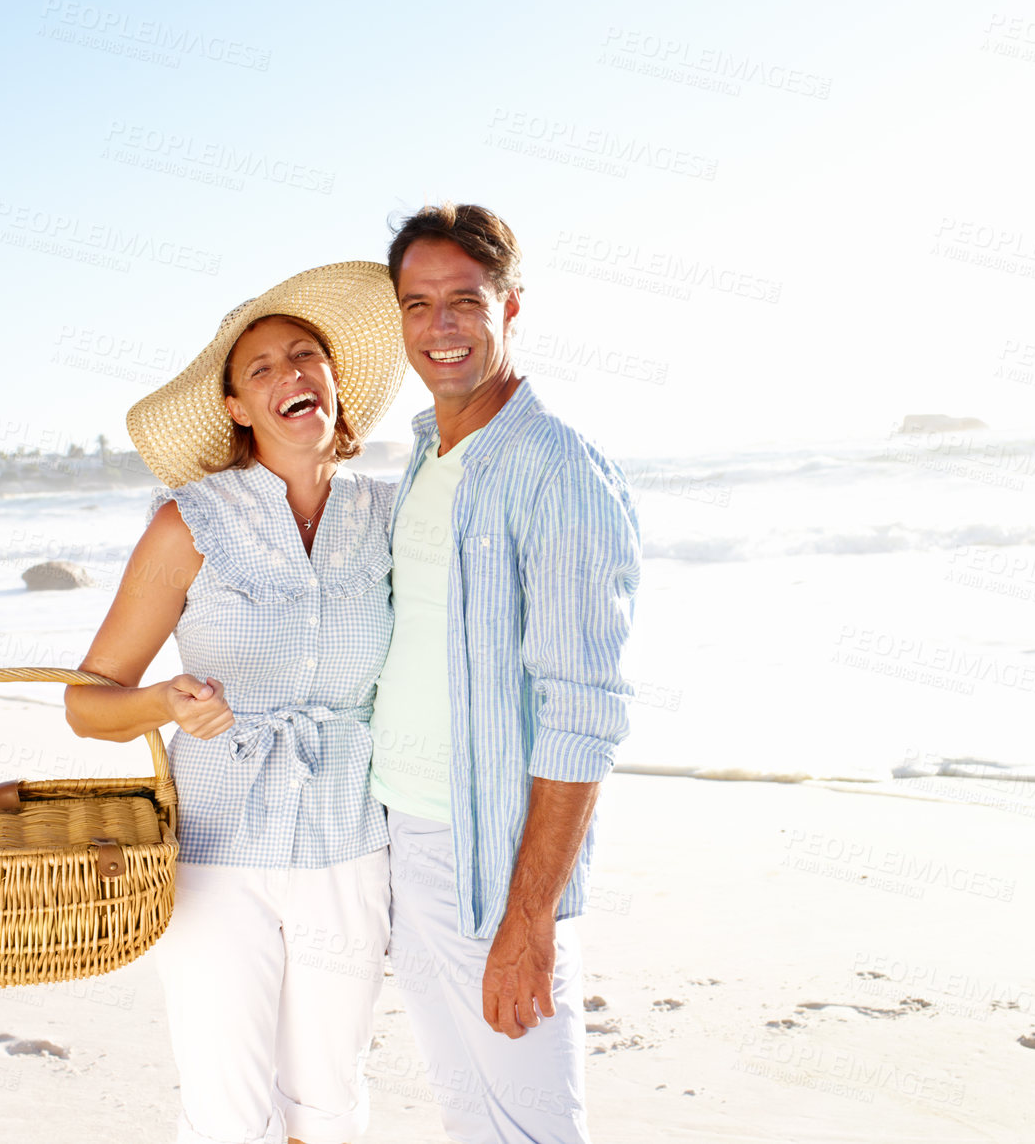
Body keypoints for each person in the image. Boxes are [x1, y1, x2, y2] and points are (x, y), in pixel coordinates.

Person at [63, 260, 408, 1144]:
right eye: (262, 369)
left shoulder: (391, 512)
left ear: (335, 384)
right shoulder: (190, 523)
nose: (291, 374)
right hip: (217, 852)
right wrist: (165, 705)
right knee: (225, 1109)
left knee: (329, 1104)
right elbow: (87, 704)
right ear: (236, 408)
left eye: (306, 357)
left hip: (349, 844)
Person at [369, 204, 640, 1143]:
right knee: (465, 1113)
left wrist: (530, 920)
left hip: (491, 853)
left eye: (464, 302)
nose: (440, 326)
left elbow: (584, 714)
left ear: (510, 307)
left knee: (531, 1129)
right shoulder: (425, 453)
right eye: (418, 303)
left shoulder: (555, 468)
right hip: (404, 834)